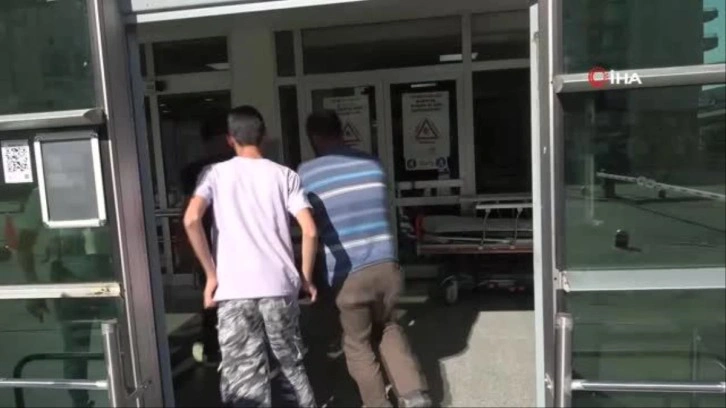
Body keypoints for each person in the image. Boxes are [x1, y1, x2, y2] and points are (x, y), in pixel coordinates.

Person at [184, 105, 318, 407]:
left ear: (230, 139)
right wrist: (305, 278)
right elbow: (309, 231)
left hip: (234, 290)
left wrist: (211, 275)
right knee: (291, 366)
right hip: (279, 287)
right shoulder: (285, 175)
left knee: (245, 377)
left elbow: (192, 219)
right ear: (264, 136)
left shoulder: (214, 174)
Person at [298, 110, 430, 408]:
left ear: (314, 138)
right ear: (342, 131)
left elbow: (307, 226)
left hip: (349, 274)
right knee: (389, 326)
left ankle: (377, 404)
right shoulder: (372, 164)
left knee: (357, 343)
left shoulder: (306, 174)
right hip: (387, 266)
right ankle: (414, 394)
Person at [17, 187, 114, 408]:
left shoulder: (50, 189)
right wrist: (32, 287)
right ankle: (81, 401)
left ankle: (86, 400)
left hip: (100, 270)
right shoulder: (46, 189)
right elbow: (24, 242)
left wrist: (32, 286)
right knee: (78, 348)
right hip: (76, 273)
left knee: (105, 345)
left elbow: (25, 241)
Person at [180, 123, 233, 366]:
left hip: (208, 245)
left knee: (211, 299)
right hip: (230, 244)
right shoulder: (239, 166)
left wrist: (190, 250)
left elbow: (188, 214)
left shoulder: (195, 171)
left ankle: (214, 349)